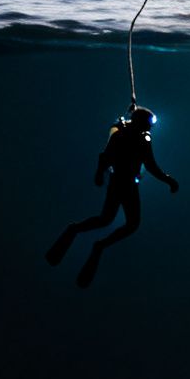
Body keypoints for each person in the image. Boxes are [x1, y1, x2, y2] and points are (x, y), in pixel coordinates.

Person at [46, 105, 178, 288]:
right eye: (148, 125)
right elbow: (108, 157)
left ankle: (91, 240)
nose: (150, 129)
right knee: (112, 221)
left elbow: (146, 164)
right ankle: (78, 233)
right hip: (121, 183)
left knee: (118, 221)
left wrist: (168, 180)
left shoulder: (139, 138)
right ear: (140, 123)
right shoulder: (125, 137)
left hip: (125, 183)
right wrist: (99, 175)